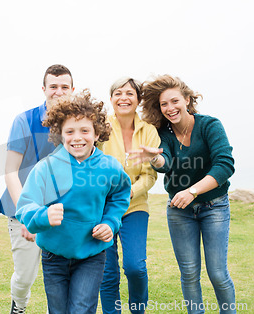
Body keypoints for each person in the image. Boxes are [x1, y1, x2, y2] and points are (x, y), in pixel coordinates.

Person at [15, 90, 132, 314]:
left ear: (97, 134)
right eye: (70, 131)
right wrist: (42, 216)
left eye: (85, 131)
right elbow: (25, 205)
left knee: (81, 309)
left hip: (92, 255)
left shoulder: (110, 167)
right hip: (53, 255)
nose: (77, 137)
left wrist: (110, 223)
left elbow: (119, 197)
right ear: (60, 134)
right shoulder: (46, 167)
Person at [129, 74, 236, 314]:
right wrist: (154, 157)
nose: (170, 108)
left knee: (218, 273)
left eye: (174, 101)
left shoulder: (209, 125)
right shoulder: (164, 133)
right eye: (163, 104)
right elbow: (165, 161)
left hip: (214, 206)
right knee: (189, 273)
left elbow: (224, 165)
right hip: (180, 212)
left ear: (187, 99)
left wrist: (192, 190)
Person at [0, 64, 74, 313]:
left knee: (65, 277)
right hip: (24, 211)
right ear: (44, 89)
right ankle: (18, 305)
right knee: (25, 276)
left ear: (73, 90)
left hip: (62, 213)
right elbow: (10, 171)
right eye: (53, 87)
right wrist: (27, 214)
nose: (58, 92)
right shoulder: (25, 120)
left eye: (64, 87)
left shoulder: (80, 123)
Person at [99, 77, 160, 314]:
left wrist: (128, 193)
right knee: (107, 271)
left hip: (135, 207)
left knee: (135, 267)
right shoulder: (101, 126)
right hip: (103, 209)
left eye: (129, 94)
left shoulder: (149, 131)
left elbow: (150, 175)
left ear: (138, 99)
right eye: (118, 93)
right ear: (111, 98)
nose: (124, 98)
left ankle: (138, 311)